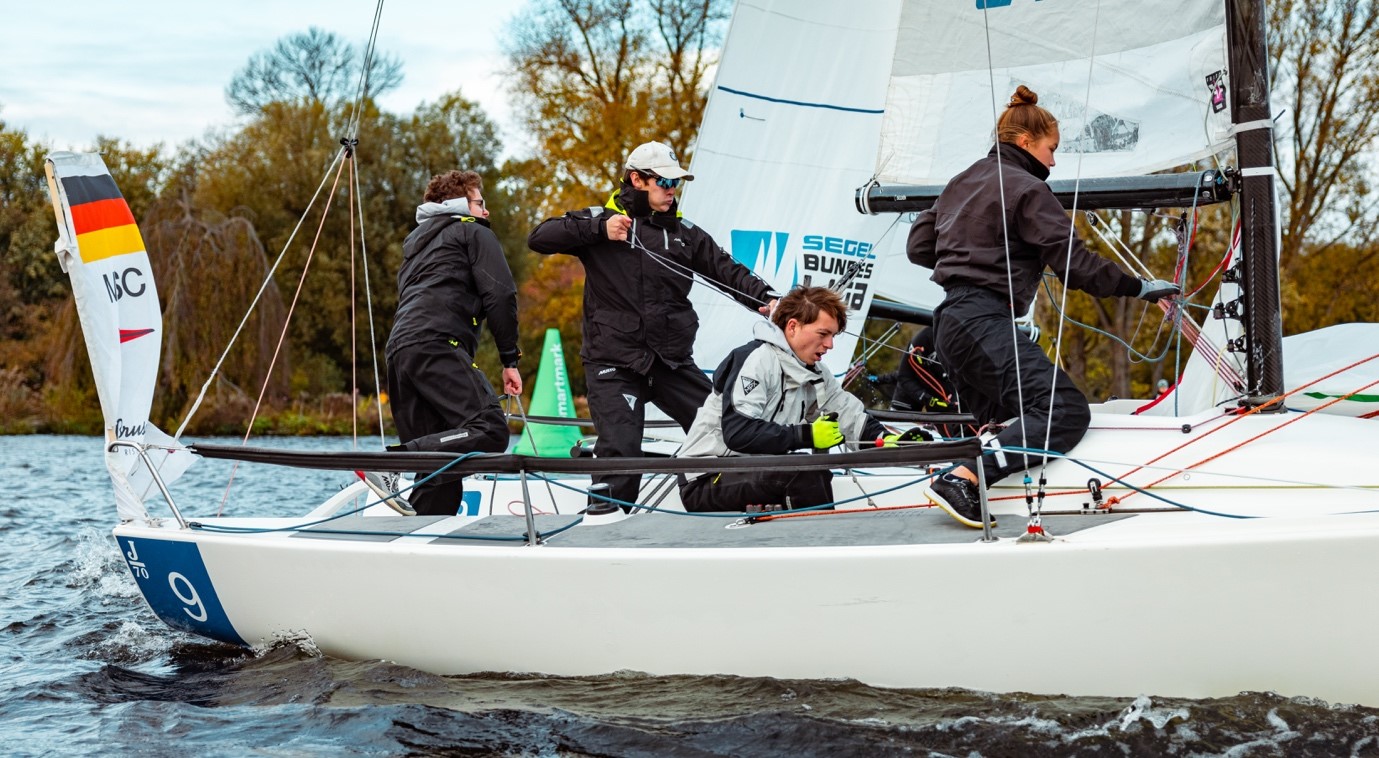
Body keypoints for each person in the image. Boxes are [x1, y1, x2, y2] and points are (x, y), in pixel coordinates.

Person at [907, 85, 1179, 529]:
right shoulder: (1028, 188)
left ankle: (979, 490)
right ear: (1026, 143)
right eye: (1052, 149)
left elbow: (919, 247)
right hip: (982, 318)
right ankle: (962, 480)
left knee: (1011, 421)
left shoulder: (960, 181)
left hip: (951, 324)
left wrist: (975, 248)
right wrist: (1139, 286)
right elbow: (1075, 265)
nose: (1054, 161)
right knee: (1063, 410)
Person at [527, 141, 776, 511]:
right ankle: (602, 525)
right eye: (664, 182)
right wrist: (598, 229)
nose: (672, 190)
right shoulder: (603, 219)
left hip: (671, 362)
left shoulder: (685, 233)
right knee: (622, 457)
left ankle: (742, 502)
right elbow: (539, 237)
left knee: (727, 430)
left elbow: (729, 272)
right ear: (637, 180)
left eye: (676, 183)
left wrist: (771, 302)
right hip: (614, 363)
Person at [367, 170, 523, 517]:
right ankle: (394, 462)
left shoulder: (416, 250)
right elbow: (500, 294)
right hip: (436, 345)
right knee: (491, 429)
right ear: (458, 205)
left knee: (439, 470)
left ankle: (421, 550)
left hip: (399, 355)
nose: (487, 212)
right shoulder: (473, 231)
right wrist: (509, 359)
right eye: (481, 203)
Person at [676, 286, 902, 512]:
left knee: (815, 470)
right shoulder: (755, 360)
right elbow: (738, 432)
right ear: (793, 327)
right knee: (802, 474)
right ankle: (822, 543)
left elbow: (849, 415)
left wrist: (888, 438)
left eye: (833, 336)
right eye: (823, 334)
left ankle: (816, 537)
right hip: (707, 476)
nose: (830, 344)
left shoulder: (817, 374)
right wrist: (806, 435)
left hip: (753, 469)